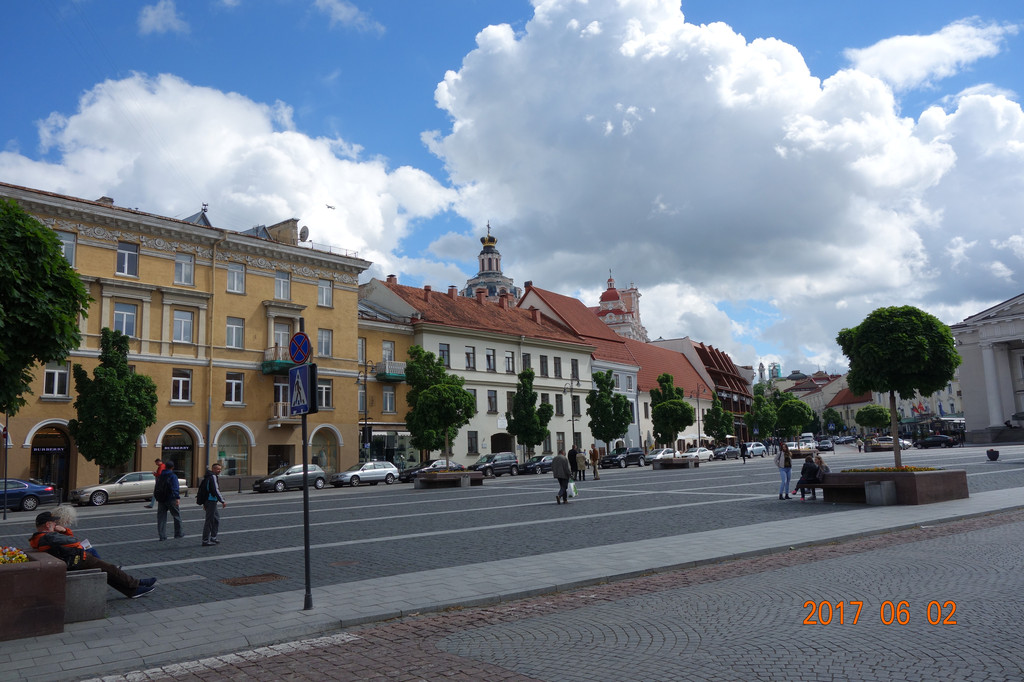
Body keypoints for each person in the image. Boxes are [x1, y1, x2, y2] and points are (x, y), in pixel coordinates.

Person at [30, 510, 156, 598]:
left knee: (106, 570)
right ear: (48, 525)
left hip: (73, 559)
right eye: (54, 523)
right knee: (110, 569)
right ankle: (136, 584)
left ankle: (133, 590)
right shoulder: (48, 537)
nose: (56, 525)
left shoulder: (42, 537)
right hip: (78, 561)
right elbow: (74, 542)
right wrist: (64, 530)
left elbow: (69, 542)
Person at [155, 459, 185, 541]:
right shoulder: (173, 476)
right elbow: (175, 488)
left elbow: (157, 486)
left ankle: (162, 536)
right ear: (172, 467)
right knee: (176, 516)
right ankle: (178, 533)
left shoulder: (160, 475)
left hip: (161, 499)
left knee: (161, 518)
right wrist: (177, 498)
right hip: (171, 498)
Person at [201, 461, 227, 547]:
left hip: (209, 500)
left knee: (216, 519)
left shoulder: (208, 476)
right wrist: (222, 500)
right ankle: (205, 540)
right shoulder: (212, 477)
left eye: (220, 469)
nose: (219, 471)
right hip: (211, 501)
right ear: (213, 469)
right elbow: (216, 490)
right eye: (218, 469)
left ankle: (213, 537)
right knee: (209, 521)